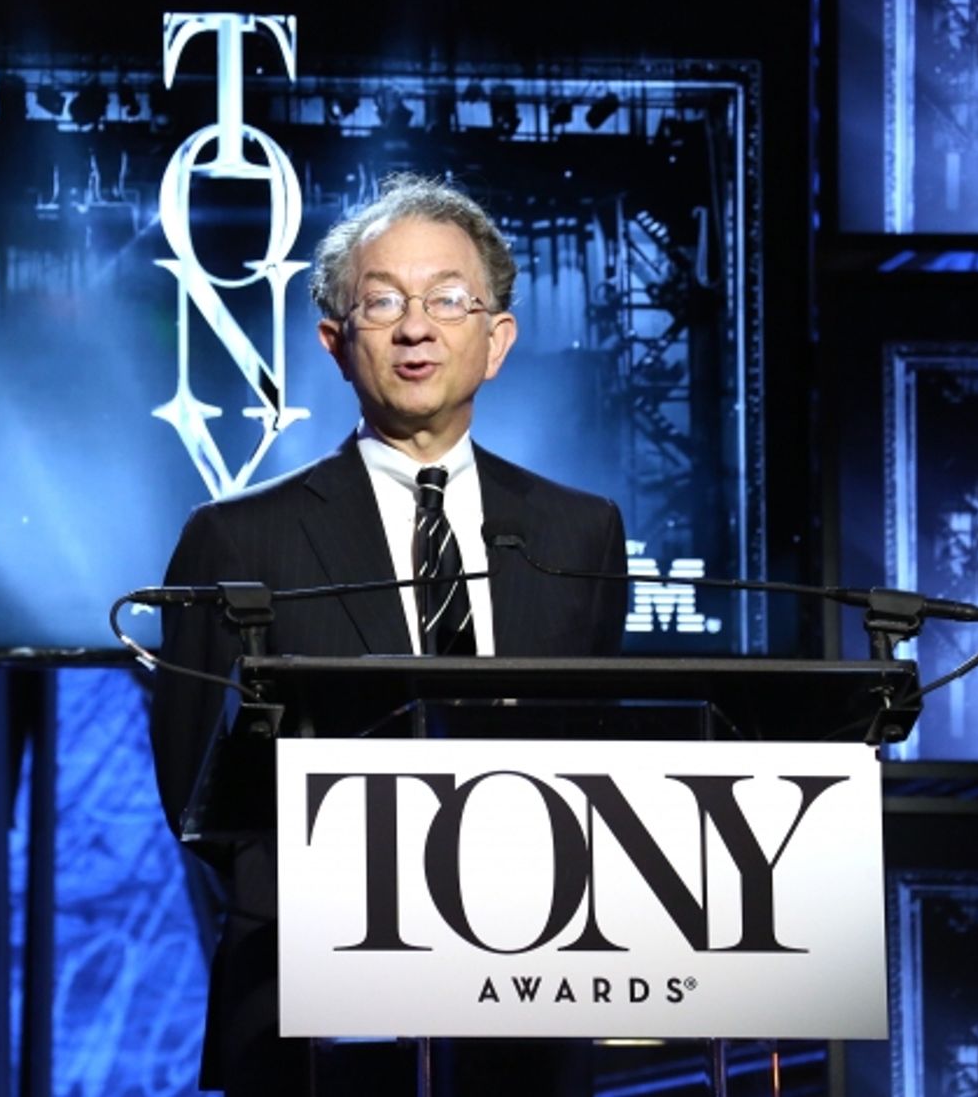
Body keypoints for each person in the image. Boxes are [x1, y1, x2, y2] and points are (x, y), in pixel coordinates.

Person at [150, 173, 628, 1095]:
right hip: (309, 1005)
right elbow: (195, 793)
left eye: (450, 299)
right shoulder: (235, 537)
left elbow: (592, 757)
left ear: (496, 341)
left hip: (531, 995)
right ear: (335, 343)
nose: (417, 328)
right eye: (383, 303)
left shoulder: (580, 532)